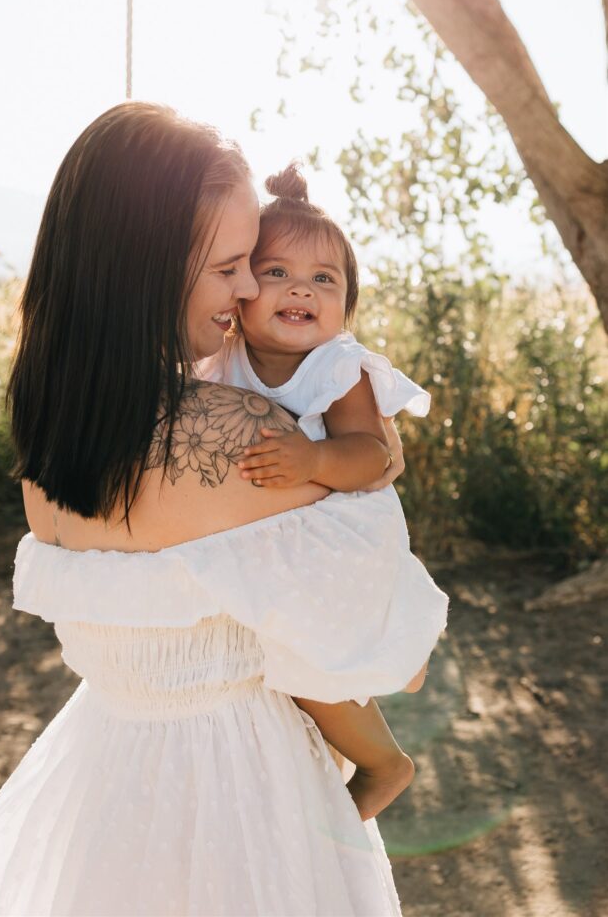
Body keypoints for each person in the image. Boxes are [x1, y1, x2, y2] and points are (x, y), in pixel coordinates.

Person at [0, 101, 448, 917]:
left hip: (99, 788)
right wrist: (376, 453)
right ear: (151, 267)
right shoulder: (247, 440)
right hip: (243, 802)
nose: (248, 289)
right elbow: (393, 646)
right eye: (231, 266)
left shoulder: (49, 453)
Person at [196, 161, 433, 817]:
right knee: (283, 649)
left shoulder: (337, 367)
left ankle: (383, 762)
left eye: (322, 280)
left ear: (344, 307)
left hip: (342, 528)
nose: (300, 290)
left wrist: (312, 459)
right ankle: (370, 674)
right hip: (281, 530)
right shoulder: (220, 356)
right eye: (276, 272)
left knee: (303, 653)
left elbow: (371, 454)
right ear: (239, 288)